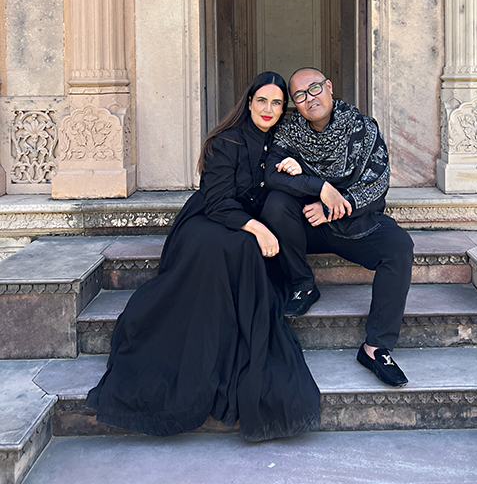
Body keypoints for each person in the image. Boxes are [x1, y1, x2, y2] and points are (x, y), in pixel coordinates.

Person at [86, 72, 321, 442]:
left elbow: (296, 183)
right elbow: (216, 202)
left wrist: (299, 168)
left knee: (244, 250)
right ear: (248, 102)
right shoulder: (226, 141)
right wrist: (258, 228)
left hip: (241, 230)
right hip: (208, 222)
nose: (269, 109)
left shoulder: (283, 142)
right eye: (262, 100)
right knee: (237, 246)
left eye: (277, 103)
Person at [261, 67, 414, 388]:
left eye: (314, 89)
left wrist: (333, 205)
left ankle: (376, 347)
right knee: (275, 204)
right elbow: (273, 177)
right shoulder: (288, 132)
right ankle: (302, 284)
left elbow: (377, 183)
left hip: (353, 223)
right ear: (295, 105)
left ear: (329, 87)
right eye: (299, 96)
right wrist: (319, 187)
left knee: (399, 246)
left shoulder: (363, 128)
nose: (309, 99)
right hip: (305, 226)